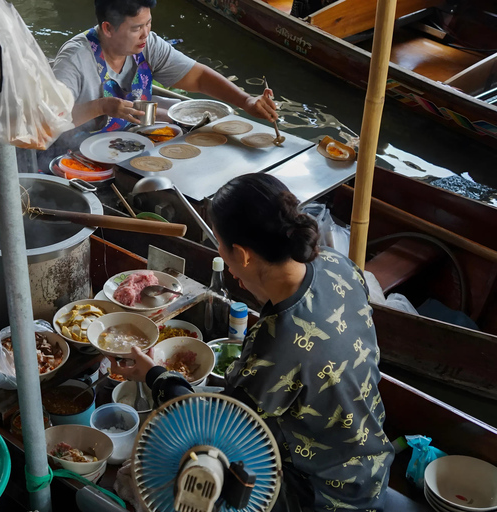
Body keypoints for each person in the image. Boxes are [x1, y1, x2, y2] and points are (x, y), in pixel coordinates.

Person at [112, 174, 394, 511]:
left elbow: (220, 427)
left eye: (219, 242)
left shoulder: (277, 346)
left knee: (143, 476)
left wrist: (155, 375)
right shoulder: (338, 265)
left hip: (326, 495)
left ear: (243, 255)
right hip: (372, 462)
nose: (221, 255)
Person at [43, 0, 279, 164]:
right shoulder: (74, 59)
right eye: (137, 28)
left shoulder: (147, 44)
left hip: (126, 143)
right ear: (108, 28)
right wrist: (101, 107)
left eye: (149, 24)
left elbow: (198, 77)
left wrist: (246, 101)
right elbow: (49, 121)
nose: (146, 33)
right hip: (73, 155)